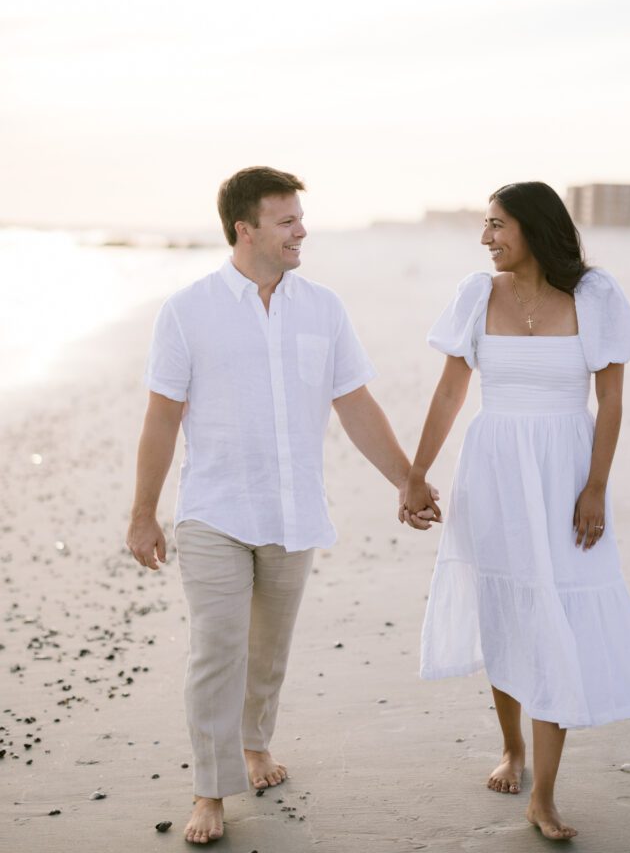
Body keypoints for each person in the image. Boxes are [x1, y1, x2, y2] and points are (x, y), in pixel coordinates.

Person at [126, 166, 438, 845]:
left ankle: (255, 743)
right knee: (217, 648)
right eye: (287, 220)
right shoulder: (188, 309)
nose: (302, 231)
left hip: (293, 509)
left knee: (267, 652)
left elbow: (353, 404)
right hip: (213, 508)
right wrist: (143, 512)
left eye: (300, 218)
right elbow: (161, 417)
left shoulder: (322, 309)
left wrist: (406, 479)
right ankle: (210, 791)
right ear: (246, 230)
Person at [401, 181, 630, 842]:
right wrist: (416, 472)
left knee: (558, 618)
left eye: (496, 225)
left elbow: (612, 403)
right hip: (492, 471)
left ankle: (541, 796)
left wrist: (595, 486)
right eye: (484, 226)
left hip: (564, 471)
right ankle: (511, 748)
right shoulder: (473, 295)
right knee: (507, 608)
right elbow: (450, 392)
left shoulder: (594, 296)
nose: (485, 238)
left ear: (533, 229)